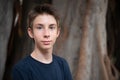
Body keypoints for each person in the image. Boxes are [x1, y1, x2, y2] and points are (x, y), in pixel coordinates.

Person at [12, 4, 73, 80]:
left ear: (57, 32)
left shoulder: (62, 65)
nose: (46, 34)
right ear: (31, 33)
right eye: (40, 28)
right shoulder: (21, 69)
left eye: (51, 27)